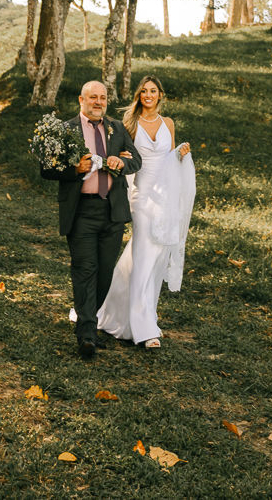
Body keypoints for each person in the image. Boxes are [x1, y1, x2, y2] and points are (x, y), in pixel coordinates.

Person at [40, 79, 142, 360]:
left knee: (105, 273)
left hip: (112, 213)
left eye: (103, 97)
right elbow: (46, 168)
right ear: (81, 100)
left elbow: (136, 160)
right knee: (85, 270)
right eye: (93, 97)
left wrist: (123, 163)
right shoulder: (65, 129)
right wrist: (74, 169)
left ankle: (90, 320)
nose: (98, 102)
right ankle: (87, 335)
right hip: (82, 212)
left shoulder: (117, 128)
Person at [98, 74, 196, 350]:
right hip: (141, 197)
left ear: (160, 95)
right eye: (144, 91)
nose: (148, 95)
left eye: (153, 91)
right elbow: (123, 156)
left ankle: (130, 313)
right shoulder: (130, 124)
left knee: (155, 258)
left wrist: (180, 153)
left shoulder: (168, 124)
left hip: (166, 197)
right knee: (143, 254)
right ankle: (143, 329)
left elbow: (170, 160)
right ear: (139, 96)